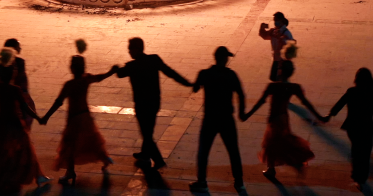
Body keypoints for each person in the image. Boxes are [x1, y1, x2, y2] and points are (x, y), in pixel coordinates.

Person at [112, 37, 192, 170]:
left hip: (142, 105)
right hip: (154, 103)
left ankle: (159, 160)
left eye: (130, 48)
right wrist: (186, 83)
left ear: (136, 49)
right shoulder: (154, 59)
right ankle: (144, 154)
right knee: (148, 130)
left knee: (147, 134)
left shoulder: (132, 66)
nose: (129, 51)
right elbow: (170, 73)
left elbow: (120, 74)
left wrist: (114, 68)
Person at [321, 68, 373, 190]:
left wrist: (329, 115)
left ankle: (356, 177)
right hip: (367, 128)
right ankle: (361, 178)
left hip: (353, 128)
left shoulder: (351, 92)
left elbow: (339, 104)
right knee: (365, 154)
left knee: (356, 151)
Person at [40, 54, 116, 185]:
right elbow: (100, 78)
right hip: (85, 116)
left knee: (69, 145)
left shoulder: (69, 84)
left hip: (74, 118)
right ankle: (105, 159)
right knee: (92, 140)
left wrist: (46, 116)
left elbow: (58, 102)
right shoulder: (86, 79)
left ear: (72, 68)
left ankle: (70, 172)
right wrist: (111, 71)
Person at [244, 58, 324, 179]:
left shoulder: (272, 86)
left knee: (271, 144)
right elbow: (306, 103)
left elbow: (260, 102)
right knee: (282, 142)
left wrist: (248, 114)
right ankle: (288, 165)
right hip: (284, 119)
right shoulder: (294, 87)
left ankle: (277, 168)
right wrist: (320, 117)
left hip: (275, 120)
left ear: (280, 71)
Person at [0, 48, 51, 192]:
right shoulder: (15, 90)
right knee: (26, 149)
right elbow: (25, 107)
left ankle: (1, 177)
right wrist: (38, 117)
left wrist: (1, 62)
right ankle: (37, 175)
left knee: (3, 151)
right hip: (15, 123)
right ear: (13, 73)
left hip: (2, 123)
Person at [189, 47, 246, 194]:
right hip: (227, 118)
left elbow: (195, 88)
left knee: (203, 151)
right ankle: (239, 182)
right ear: (225, 59)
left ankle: (202, 182)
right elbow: (241, 94)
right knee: (233, 151)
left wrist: (197, 82)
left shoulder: (205, 74)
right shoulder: (231, 75)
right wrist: (241, 113)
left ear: (215, 57)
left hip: (210, 119)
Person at [0, 39, 35, 129]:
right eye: (18, 46)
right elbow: (22, 78)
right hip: (19, 92)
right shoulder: (20, 62)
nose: (20, 48)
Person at [259, 12, 294, 82]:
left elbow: (291, 47)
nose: (275, 22)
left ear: (282, 21)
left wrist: (281, 38)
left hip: (283, 62)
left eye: (277, 20)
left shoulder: (286, 33)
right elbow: (265, 36)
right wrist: (261, 28)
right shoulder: (274, 31)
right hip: (276, 60)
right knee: (274, 79)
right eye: (274, 20)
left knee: (281, 80)